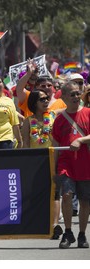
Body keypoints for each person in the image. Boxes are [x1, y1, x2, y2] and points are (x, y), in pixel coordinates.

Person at [52, 81, 90, 249]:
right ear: (64, 97)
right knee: (66, 195)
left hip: (85, 163)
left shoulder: (88, 113)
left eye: (77, 93)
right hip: (66, 164)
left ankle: (82, 234)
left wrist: (81, 140)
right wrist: (53, 169)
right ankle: (68, 233)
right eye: (72, 94)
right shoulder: (59, 120)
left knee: (85, 201)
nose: (76, 97)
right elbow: (55, 146)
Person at [21, 89, 62, 239]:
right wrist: (26, 163)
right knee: (40, 193)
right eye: (42, 99)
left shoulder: (53, 116)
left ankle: (55, 226)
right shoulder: (28, 121)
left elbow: (74, 108)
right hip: (36, 162)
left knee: (55, 194)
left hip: (53, 159)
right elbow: (25, 143)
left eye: (47, 98)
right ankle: (41, 224)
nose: (46, 101)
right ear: (34, 103)